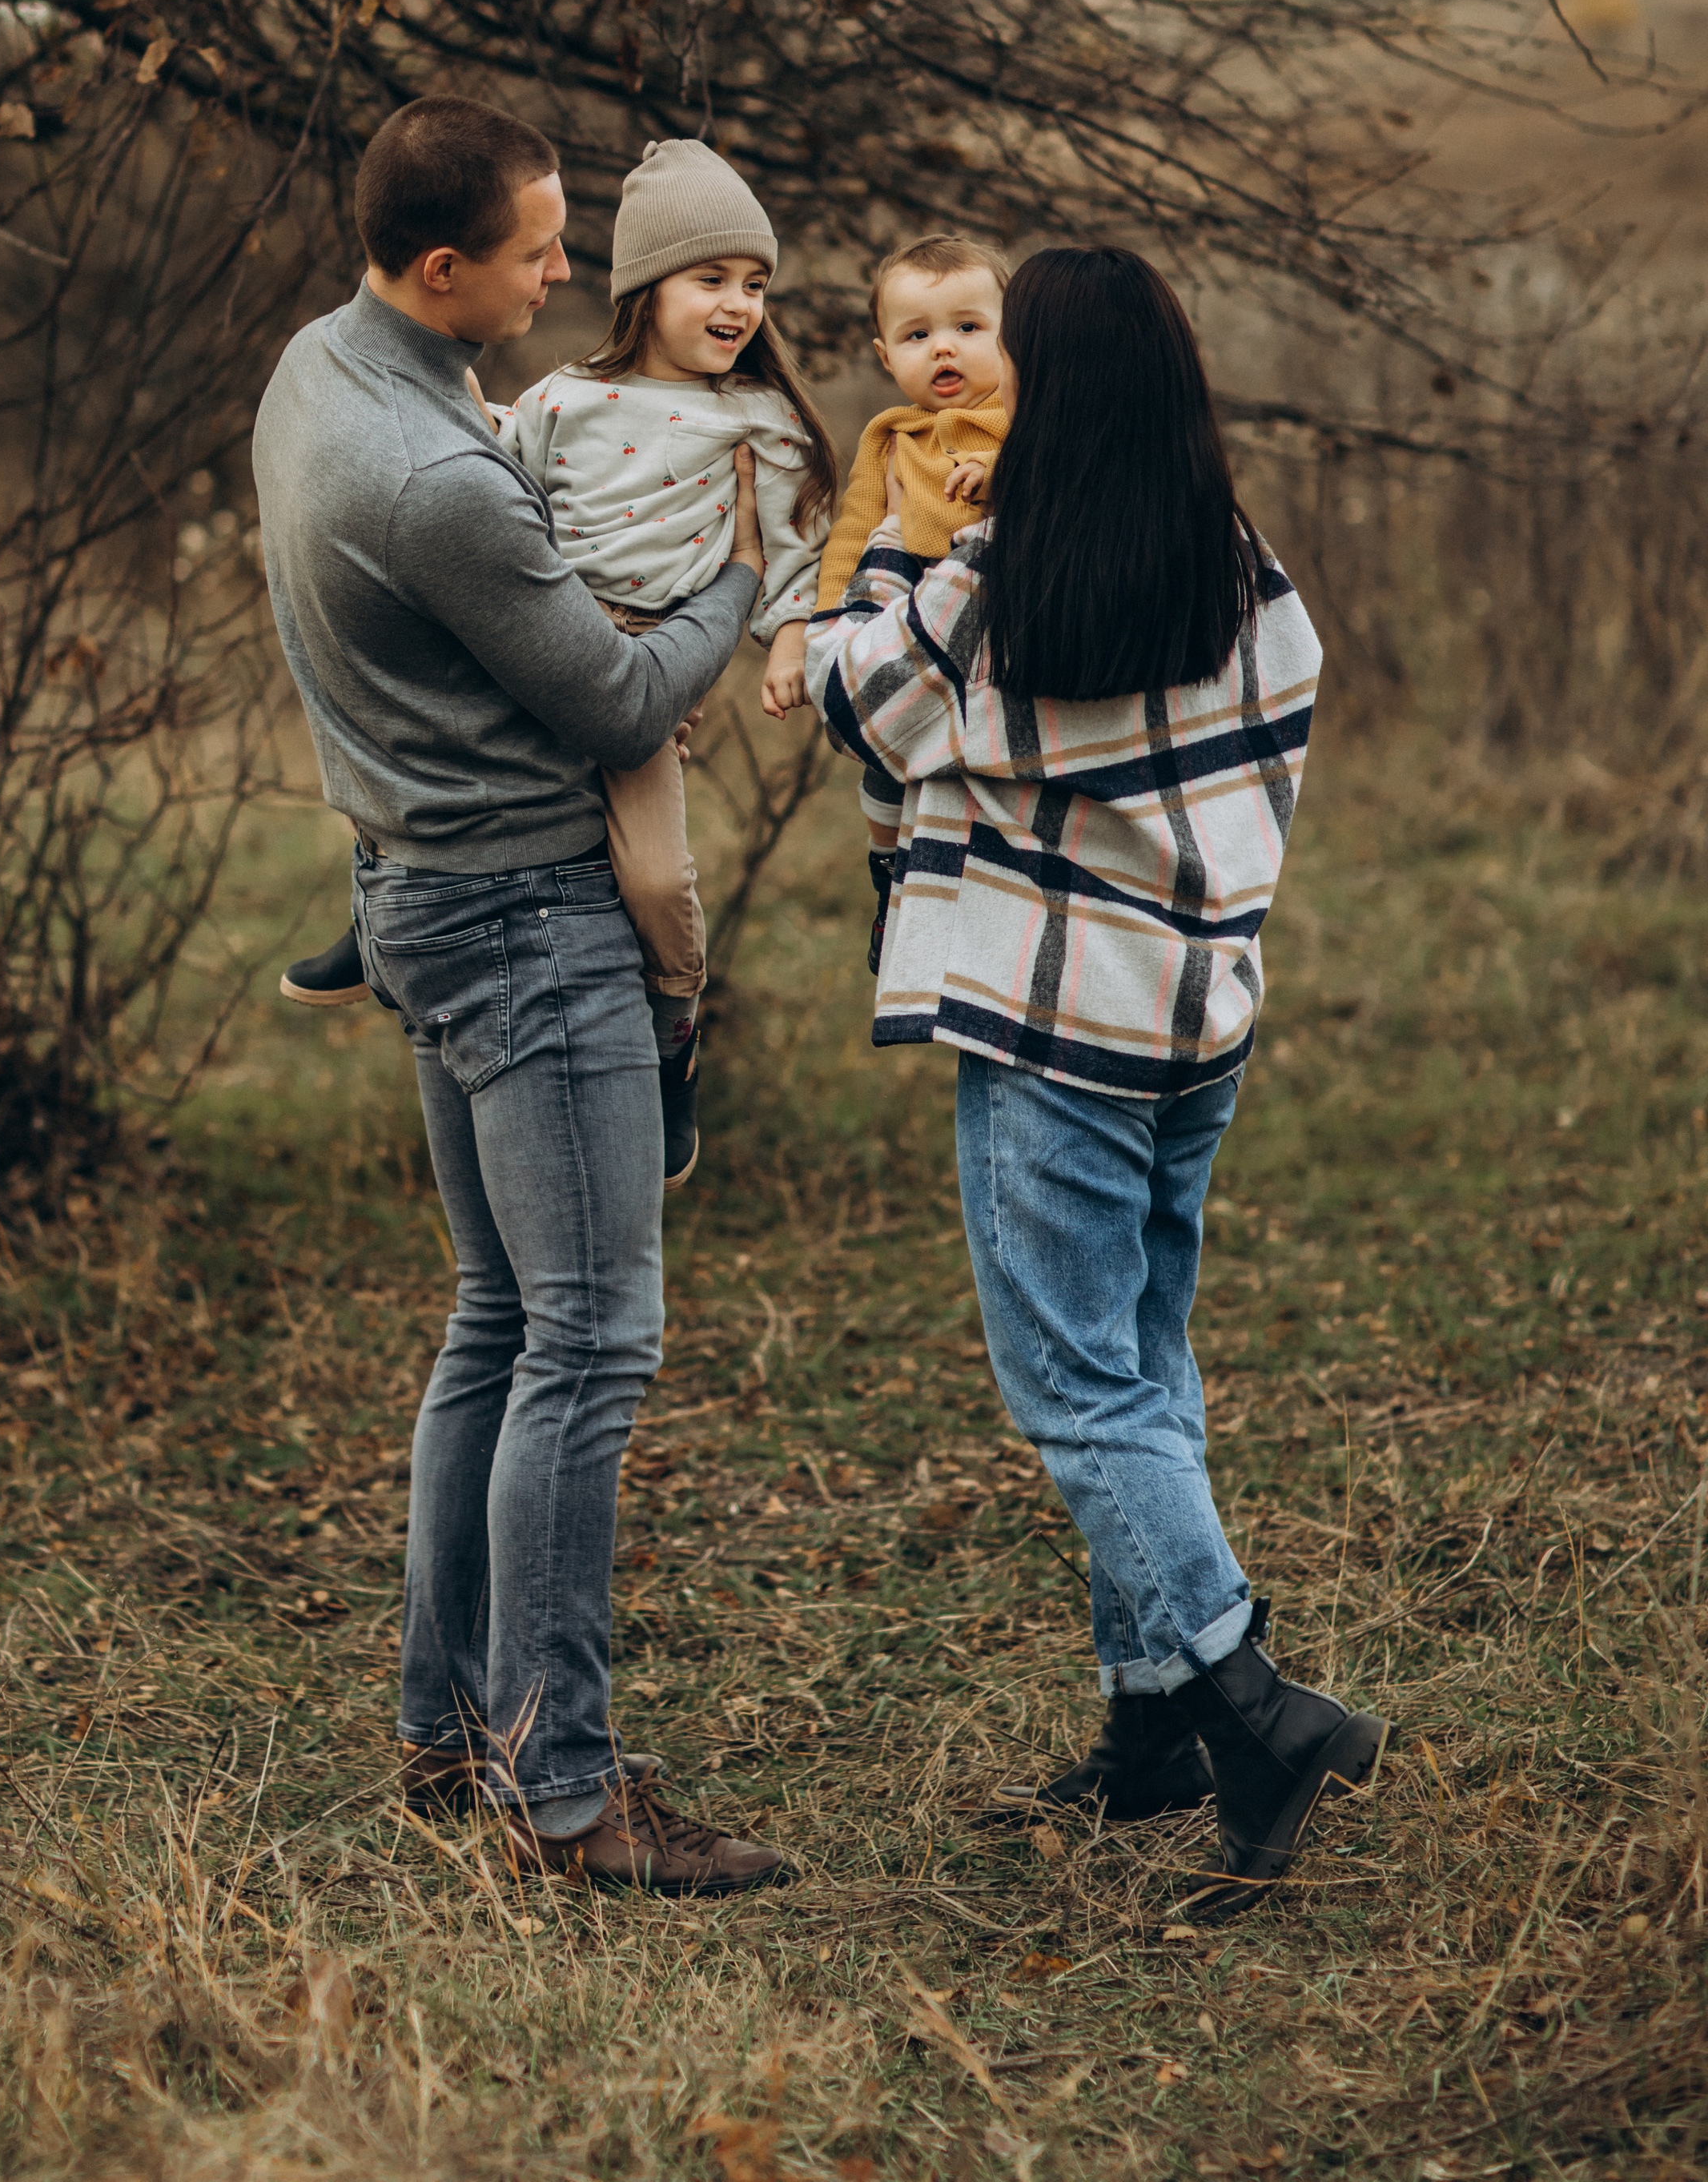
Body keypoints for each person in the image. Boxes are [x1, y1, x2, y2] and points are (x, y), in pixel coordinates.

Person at [806, 245, 1392, 1918]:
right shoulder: (1242, 567)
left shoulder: (994, 579)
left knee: (1076, 1387)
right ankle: (1150, 1722)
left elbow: (854, 699)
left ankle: (1246, 1702)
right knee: (1142, 1355)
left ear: (1044, 392)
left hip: (1052, 1031)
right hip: (1196, 1019)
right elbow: (1278, 732)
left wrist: (878, 555)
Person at [252, 95, 793, 1895]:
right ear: (439, 268)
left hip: (415, 887)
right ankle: (563, 1794)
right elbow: (625, 703)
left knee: (498, 1318)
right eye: (539, 252)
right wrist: (735, 575)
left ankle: (446, 1727)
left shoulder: (315, 374)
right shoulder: (443, 481)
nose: (567, 276)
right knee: (591, 1342)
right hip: (525, 923)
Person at [279, 138, 836, 1184]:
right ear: (646, 290)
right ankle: (377, 923)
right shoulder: (566, 397)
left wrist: (788, 639)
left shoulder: (758, 420)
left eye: (755, 284)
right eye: (711, 279)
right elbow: (503, 479)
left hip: (652, 648)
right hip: (550, 630)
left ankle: (674, 1032)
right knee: (425, 731)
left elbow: (791, 548)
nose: (738, 304)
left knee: (658, 878)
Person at [811, 235, 1012, 979]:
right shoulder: (888, 438)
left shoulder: (1016, 421)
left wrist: (994, 471)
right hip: (906, 621)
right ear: (885, 355)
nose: (944, 348)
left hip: (986, 624)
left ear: (1012, 338)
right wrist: (815, 626)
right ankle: (888, 876)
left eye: (968, 327)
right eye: (917, 335)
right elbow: (853, 535)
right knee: (886, 771)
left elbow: (1044, 472)